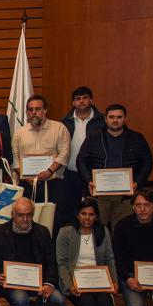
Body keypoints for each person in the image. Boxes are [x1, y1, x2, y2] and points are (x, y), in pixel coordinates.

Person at [55, 198, 118, 306]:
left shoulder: (103, 232)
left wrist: (114, 282)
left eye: (91, 214)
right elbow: (61, 263)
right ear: (77, 215)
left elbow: (110, 258)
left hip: (99, 281)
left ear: (96, 217)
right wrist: (69, 285)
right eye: (83, 214)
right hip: (76, 282)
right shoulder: (66, 232)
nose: (87, 218)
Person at [77, 103, 153, 230]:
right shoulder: (94, 137)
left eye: (119, 117)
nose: (115, 120)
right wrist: (89, 180)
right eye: (111, 117)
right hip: (99, 195)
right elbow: (81, 161)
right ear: (106, 119)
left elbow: (148, 162)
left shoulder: (137, 138)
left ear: (125, 119)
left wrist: (137, 183)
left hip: (125, 196)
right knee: (97, 230)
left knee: (124, 230)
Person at [11, 95, 70, 225]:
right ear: (27, 112)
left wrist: (49, 171)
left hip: (53, 185)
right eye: (30, 109)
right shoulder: (19, 132)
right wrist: (24, 175)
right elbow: (14, 158)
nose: (34, 113)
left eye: (37, 109)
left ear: (45, 110)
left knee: (53, 222)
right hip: (28, 185)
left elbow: (64, 154)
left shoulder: (59, 128)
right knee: (26, 222)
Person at [61, 86, 104, 225]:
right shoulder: (64, 122)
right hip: (70, 173)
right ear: (73, 103)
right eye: (78, 99)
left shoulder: (102, 121)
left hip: (94, 175)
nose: (81, 101)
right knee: (69, 210)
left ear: (91, 100)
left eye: (85, 98)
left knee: (94, 212)